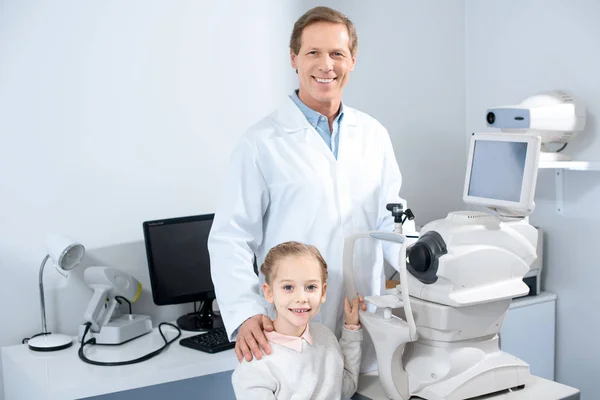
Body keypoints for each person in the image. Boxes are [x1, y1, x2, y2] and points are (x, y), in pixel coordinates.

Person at [207, 5, 414, 372]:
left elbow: (392, 219)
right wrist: (244, 314)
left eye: (337, 53)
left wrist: (421, 270)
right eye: (313, 53)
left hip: (361, 318)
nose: (326, 65)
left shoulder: (373, 135)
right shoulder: (260, 143)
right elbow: (231, 237)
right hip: (292, 326)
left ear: (352, 60)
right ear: (294, 59)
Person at [231, 241, 363, 399]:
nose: (301, 298)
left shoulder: (325, 337)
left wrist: (351, 327)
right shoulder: (256, 365)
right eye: (288, 287)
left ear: (323, 292)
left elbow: (344, 389)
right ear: (269, 292)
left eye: (311, 287)